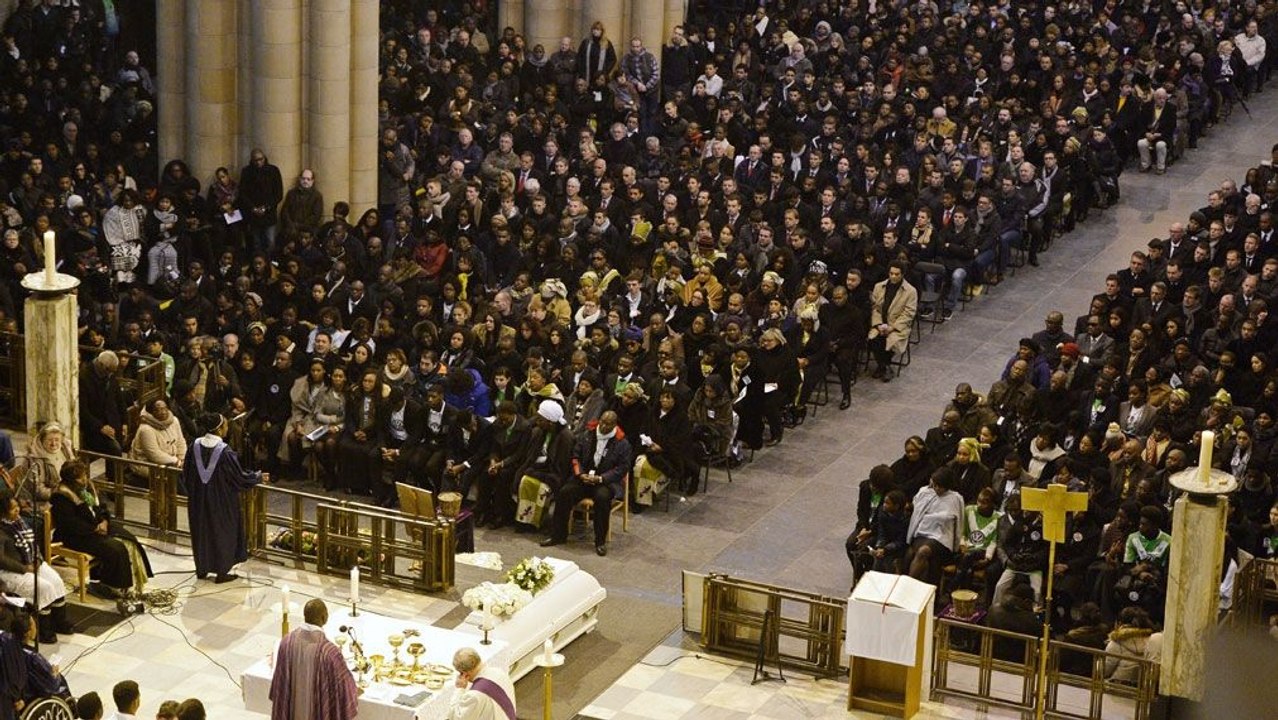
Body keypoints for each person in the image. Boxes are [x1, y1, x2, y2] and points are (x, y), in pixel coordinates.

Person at [182, 413, 268, 583]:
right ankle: (222, 572)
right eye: (226, 425)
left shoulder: (194, 446)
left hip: (198, 500)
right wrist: (257, 477)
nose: (227, 428)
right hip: (221, 501)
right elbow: (238, 478)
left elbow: (187, 474)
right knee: (223, 531)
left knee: (201, 531)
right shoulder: (225, 452)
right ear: (220, 429)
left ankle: (202, 568)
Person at [50, 461, 153, 598]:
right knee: (115, 548)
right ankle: (109, 586)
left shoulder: (86, 489)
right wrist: (95, 529)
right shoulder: (61, 496)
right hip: (76, 536)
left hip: (96, 526)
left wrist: (104, 521)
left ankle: (130, 584)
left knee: (129, 539)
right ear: (72, 480)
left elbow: (100, 508)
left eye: (85, 475)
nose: (85, 479)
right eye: (81, 477)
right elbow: (70, 523)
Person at [541, 410, 632, 556]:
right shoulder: (587, 435)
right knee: (564, 492)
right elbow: (575, 456)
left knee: (602, 498)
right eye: (602, 422)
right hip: (584, 478)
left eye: (608, 424)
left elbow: (622, 468)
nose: (604, 426)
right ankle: (558, 535)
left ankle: (600, 541)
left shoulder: (622, 443)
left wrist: (601, 478)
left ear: (615, 425)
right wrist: (580, 473)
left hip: (605, 482)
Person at [269, 599, 359, 720]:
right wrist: (355, 688)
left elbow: (280, 684)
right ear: (324, 618)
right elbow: (345, 685)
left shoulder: (286, 642)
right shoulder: (329, 653)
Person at [0, 491, 71, 643]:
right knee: (43, 588)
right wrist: (24, 568)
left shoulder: (22, 523)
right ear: (3, 512)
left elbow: (33, 544)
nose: (17, 510)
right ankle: (44, 630)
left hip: (32, 562)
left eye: (17, 506)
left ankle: (60, 621)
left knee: (56, 581)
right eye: (13, 509)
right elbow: (1, 559)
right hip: (11, 570)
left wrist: (37, 559)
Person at [447, 647, 515, 720]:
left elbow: (455, 717)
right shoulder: (499, 672)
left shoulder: (474, 695)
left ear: (464, 673)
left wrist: (460, 689)